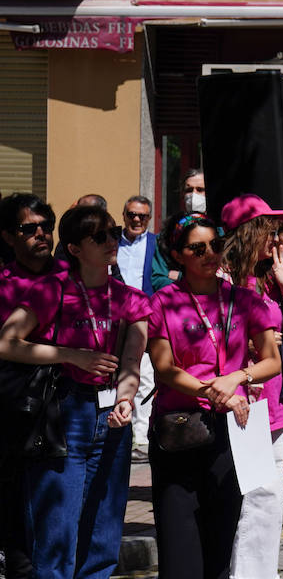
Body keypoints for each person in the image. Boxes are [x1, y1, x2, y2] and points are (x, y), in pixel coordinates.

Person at [0, 204, 150, 579]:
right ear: (75, 247)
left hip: (111, 416)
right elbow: (7, 342)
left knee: (102, 541)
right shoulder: (52, 290)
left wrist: (127, 395)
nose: (111, 239)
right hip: (63, 415)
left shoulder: (128, 297)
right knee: (57, 541)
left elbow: (132, 357)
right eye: (98, 234)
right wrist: (70, 355)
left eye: (111, 232)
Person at [147, 213, 282, 579]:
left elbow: (271, 361)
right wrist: (214, 389)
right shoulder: (164, 302)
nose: (210, 254)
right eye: (198, 248)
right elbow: (165, 367)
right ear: (179, 256)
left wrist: (236, 377)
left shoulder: (245, 300)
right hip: (180, 423)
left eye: (214, 245)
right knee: (178, 522)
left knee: (222, 522)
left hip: (233, 424)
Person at [220, 194, 283, 579]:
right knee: (243, 493)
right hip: (237, 401)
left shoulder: (269, 278)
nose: (276, 238)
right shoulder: (222, 278)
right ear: (249, 233)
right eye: (268, 229)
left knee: (267, 495)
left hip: (270, 401)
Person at [0, 193, 60, 579]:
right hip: (14, 407)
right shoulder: (3, 282)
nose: (41, 233)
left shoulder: (73, 275)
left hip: (69, 405)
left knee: (58, 507)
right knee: (17, 506)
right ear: (8, 236)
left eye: (47, 225)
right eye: (29, 228)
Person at [117, 196, 159, 461]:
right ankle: (119, 427)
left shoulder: (156, 244)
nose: (136, 220)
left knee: (145, 376)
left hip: (145, 315)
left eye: (142, 216)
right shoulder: (111, 241)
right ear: (124, 214)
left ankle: (140, 438)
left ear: (149, 218)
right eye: (132, 214)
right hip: (114, 315)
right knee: (115, 372)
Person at [149, 170, 207, 292]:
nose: (194, 195)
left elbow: (220, 277)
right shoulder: (167, 235)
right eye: (189, 190)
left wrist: (181, 277)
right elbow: (158, 279)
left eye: (200, 189)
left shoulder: (221, 233)